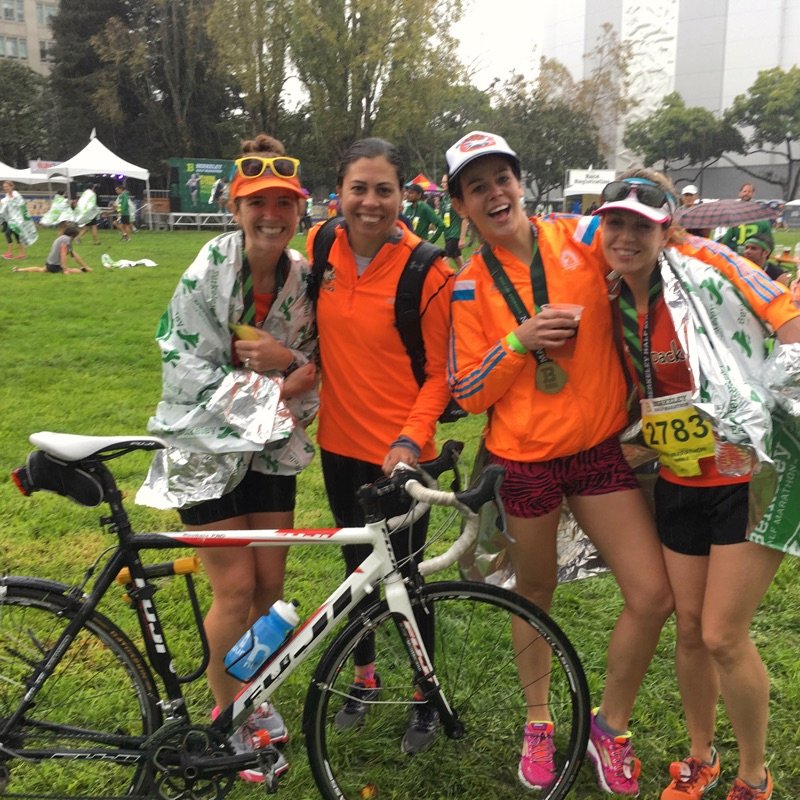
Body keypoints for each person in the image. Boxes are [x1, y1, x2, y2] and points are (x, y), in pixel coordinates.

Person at [445, 131, 672, 795]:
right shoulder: (467, 289)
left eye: (503, 179)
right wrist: (519, 340)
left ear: (521, 182)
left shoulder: (582, 236)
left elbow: (654, 243)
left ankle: (611, 725)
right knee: (535, 594)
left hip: (599, 452)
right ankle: (539, 721)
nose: (495, 194)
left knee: (652, 595)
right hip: (526, 465)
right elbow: (465, 391)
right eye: (477, 186)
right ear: (461, 203)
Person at [593, 169, 800, 800]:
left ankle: (754, 776)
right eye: (616, 222)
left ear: (668, 228)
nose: (627, 236)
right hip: (680, 477)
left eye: (643, 225)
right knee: (689, 626)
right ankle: (701, 757)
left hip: (749, 474)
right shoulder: (614, 294)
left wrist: (773, 412)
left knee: (722, 634)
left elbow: (789, 319)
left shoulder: (709, 263)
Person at [136, 133, 319, 784]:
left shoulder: (302, 276)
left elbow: (316, 364)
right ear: (235, 210)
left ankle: (252, 694)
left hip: (269, 448)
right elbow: (185, 374)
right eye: (256, 203)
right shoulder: (209, 269)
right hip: (202, 448)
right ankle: (225, 714)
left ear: (299, 210)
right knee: (234, 588)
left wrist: (288, 366)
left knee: (269, 588)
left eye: (283, 203)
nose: (271, 214)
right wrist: (278, 386)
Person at [306, 137, 453, 755]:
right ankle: (364, 679)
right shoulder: (318, 246)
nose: (369, 202)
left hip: (399, 456)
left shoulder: (429, 270)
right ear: (338, 192)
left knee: (407, 578)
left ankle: (425, 692)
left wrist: (408, 440)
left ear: (402, 196)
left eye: (383, 190)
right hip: (338, 443)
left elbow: (441, 375)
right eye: (357, 188)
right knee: (355, 572)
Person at [12, 224, 91, 274]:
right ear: (73, 235)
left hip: (49, 264)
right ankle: (84, 271)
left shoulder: (62, 238)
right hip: (55, 266)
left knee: (41, 270)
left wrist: (85, 265)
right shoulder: (66, 239)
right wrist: (65, 269)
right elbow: (63, 254)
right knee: (78, 271)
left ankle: (19, 270)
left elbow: (74, 255)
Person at [717, 183, 772, 254]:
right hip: (743, 253)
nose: (747, 193)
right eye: (745, 191)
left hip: (750, 254)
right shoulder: (734, 212)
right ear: (740, 193)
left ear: (753, 194)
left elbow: (769, 241)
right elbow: (726, 239)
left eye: (749, 192)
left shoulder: (759, 216)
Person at [439, 173, 468, 269]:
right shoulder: (444, 199)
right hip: (447, 234)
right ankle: (467, 276)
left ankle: (442, 280)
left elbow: (464, 218)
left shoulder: (456, 198)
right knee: (458, 260)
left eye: (445, 182)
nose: (443, 184)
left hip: (454, 235)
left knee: (444, 261)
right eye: (442, 182)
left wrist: (462, 238)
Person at [2, 180, 37, 259]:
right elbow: (4, 204)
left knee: (8, 233)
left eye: (7, 186)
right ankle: (21, 254)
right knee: (16, 235)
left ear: (12, 186)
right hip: (12, 219)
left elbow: (22, 206)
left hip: (19, 220)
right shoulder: (7, 196)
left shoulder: (17, 195)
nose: (5, 188)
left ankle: (10, 253)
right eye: (4, 187)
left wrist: (23, 219)